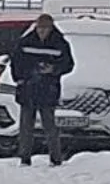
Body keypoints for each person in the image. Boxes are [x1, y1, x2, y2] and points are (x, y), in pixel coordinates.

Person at [10, 13, 75, 166]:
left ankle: (55, 157)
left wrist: (53, 69)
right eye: (40, 28)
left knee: (50, 126)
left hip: (48, 89)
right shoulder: (25, 42)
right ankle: (24, 157)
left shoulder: (60, 44)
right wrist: (22, 78)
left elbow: (68, 65)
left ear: (51, 28)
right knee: (26, 126)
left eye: (45, 29)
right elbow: (16, 63)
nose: (42, 32)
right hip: (28, 89)